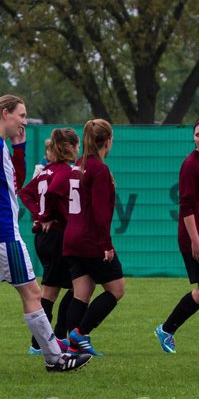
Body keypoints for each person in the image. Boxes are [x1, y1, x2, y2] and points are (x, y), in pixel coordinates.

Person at [0, 97, 90, 374]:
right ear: (4, 113)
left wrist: (19, 148)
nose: (24, 121)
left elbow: (12, 184)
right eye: (21, 115)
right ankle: (56, 358)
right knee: (33, 293)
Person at [153, 117, 199, 354]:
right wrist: (195, 239)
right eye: (197, 135)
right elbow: (186, 206)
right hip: (196, 237)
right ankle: (166, 329)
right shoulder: (190, 164)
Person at [62, 119, 123, 356]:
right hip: (90, 240)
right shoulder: (99, 169)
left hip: (72, 237)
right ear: (107, 141)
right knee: (117, 289)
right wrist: (106, 244)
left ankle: (72, 347)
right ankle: (81, 333)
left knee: (82, 292)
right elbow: (100, 211)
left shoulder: (78, 164)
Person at [18, 127, 80, 353]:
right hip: (56, 236)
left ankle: (56, 337)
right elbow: (53, 193)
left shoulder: (45, 171)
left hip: (45, 238)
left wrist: (38, 215)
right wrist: (47, 216)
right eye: (77, 145)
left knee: (73, 286)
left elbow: (25, 193)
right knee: (57, 291)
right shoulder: (64, 170)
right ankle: (41, 343)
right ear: (71, 147)